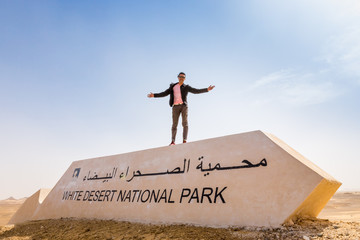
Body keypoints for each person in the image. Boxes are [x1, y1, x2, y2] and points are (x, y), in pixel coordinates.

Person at [147, 72, 215, 145]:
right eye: (180, 77)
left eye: (183, 77)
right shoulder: (173, 86)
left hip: (183, 106)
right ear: (178, 77)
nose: (181, 78)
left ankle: (184, 140)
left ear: (185, 79)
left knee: (185, 123)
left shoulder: (186, 87)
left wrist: (207, 89)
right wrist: (154, 95)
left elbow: (196, 91)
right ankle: (173, 141)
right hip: (175, 107)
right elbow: (164, 93)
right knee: (174, 125)